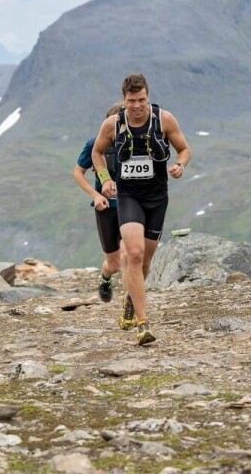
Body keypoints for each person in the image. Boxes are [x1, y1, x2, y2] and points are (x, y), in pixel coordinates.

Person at [92, 74, 191, 345]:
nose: (137, 106)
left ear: (148, 97)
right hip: (129, 197)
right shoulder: (113, 124)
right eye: (131, 101)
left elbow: (184, 149)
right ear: (123, 100)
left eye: (142, 100)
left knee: (145, 261)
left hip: (157, 198)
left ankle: (130, 298)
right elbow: (97, 153)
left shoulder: (164, 120)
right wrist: (105, 179)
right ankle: (143, 323)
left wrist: (180, 165)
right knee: (133, 254)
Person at [73, 103, 126, 304]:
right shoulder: (95, 144)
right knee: (114, 264)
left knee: (131, 255)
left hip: (132, 207)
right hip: (107, 209)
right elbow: (78, 172)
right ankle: (105, 278)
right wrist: (95, 195)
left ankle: (130, 301)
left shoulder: (137, 142)